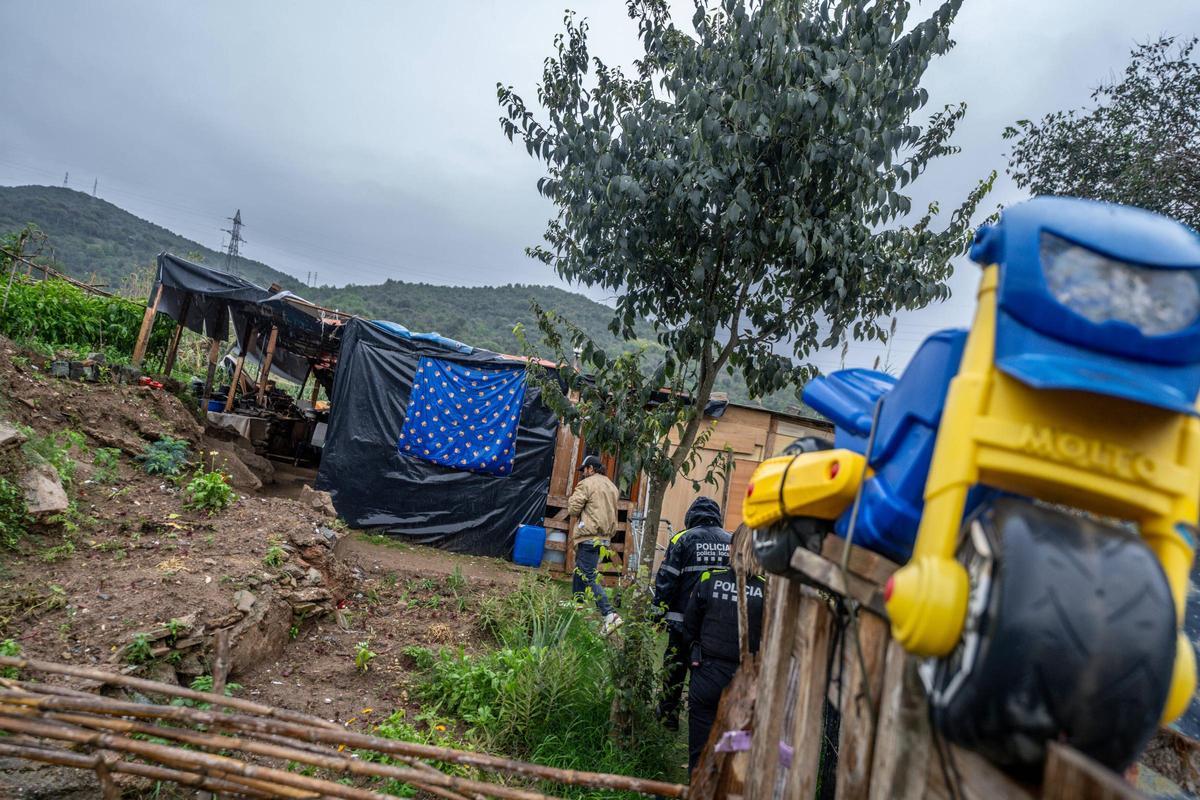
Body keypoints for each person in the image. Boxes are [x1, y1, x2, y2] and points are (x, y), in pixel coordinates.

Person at [651, 496, 731, 730]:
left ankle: (669, 717)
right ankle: (704, 719)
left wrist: (656, 614)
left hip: (682, 622)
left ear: (690, 517)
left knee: (675, 668)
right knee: (706, 672)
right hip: (714, 626)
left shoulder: (682, 539)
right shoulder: (729, 541)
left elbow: (667, 580)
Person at [682, 562, 767, 774]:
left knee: (700, 752)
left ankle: (697, 792)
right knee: (736, 756)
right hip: (745, 678)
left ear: (731, 550)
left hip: (708, 673)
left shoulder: (709, 578)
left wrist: (695, 654)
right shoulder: (768, 588)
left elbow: (690, 625)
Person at [566, 454, 622, 634]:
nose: (583, 473)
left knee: (587, 573)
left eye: (584, 470)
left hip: (589, 534)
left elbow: (573, 509)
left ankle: (609, 614)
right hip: (604, 537)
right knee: (580, 569)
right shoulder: (612, 486)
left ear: (591, 468)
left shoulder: (587, 484)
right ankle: (577, 604)